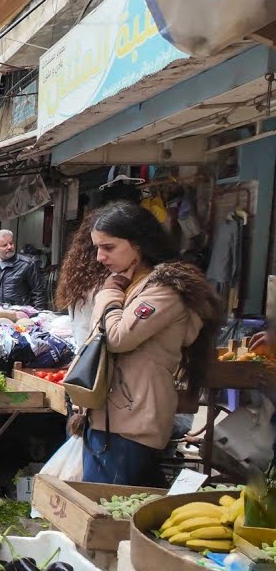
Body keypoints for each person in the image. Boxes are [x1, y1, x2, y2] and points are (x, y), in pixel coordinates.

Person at [77, 202, 222, 487]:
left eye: (108, 247)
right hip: (107, 417)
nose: (99, 257)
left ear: (138, 244)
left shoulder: (165, 289)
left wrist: (108, 294)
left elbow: (117, 337)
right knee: (101, 508)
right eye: (97, 248)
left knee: (108, 510)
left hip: (134, 419)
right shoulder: (130, 284)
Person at [55, 210, 107, 338]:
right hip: (91, 349)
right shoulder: (101, 280)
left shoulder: (79, 275)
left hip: (85, 348)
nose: (101, 256)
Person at [0, 230, 47, 308]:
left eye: (11, 243)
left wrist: (38, 313)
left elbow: (39, 292)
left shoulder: (27, 264)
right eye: (4, 245)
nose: (9, 247)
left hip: (21, 313)